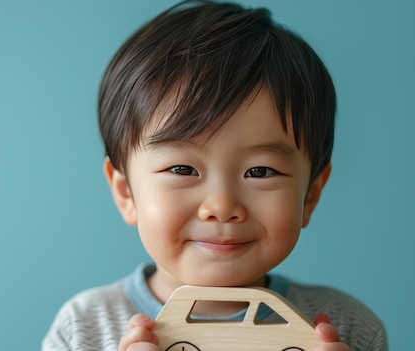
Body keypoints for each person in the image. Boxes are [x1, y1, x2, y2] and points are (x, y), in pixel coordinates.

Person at [43, 1, 387, 350]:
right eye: (182, 169)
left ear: (310, 195)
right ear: (126, 193)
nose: (222, 206)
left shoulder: (347, 327)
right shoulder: (84, 326)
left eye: (260, 171)